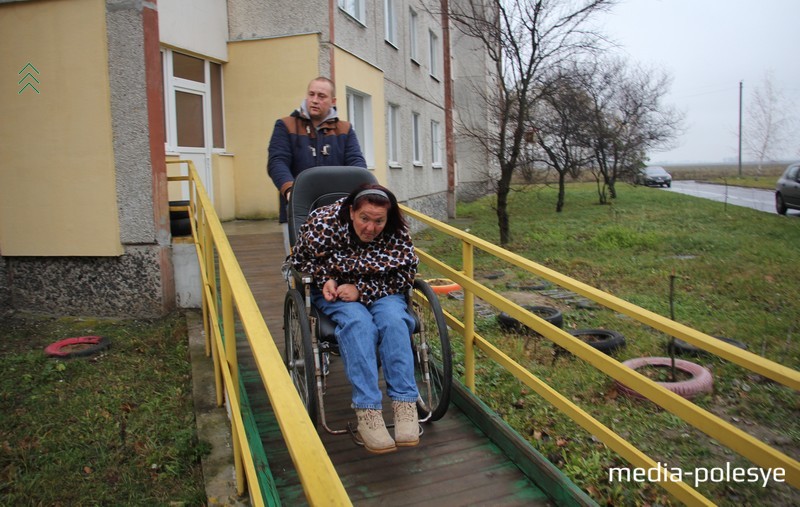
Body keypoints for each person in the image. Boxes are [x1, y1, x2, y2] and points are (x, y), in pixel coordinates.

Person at [290, 183, 420, 454]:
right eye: (364, 218)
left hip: (383, 289)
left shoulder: (397, 230)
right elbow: (300, 261)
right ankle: (368, 411)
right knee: (359, 325)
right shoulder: (323, 223)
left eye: (378, 221)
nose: (370, 228)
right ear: (351, 212)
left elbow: (405, 273)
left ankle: (405, 405)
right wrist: (326, 278)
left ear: (388, 217)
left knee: (395, 321)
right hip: (337, 291)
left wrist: (362, 290)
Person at [268, 76, 367, 253]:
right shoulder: (285, 125)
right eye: (311, 94)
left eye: (321, 96)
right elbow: (277, 162)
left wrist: (358, 195)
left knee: (339, 262)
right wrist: (291, 191)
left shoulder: (345, 129)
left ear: (333, 101)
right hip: (299, 210)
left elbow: (357, 164)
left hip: (338, 211)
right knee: (300, 264)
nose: (314, 100)